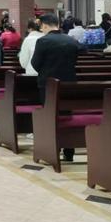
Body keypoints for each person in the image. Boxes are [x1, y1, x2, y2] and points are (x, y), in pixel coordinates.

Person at [30, 13, 79, 162]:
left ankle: (53, 149)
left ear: (44, 25)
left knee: (50, 116)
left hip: (48, 85)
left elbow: (35, 63)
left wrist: (46, 72)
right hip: (69, 84)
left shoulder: (43, 41)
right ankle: (69, 151)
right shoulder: (71, 40)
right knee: (67, 116)